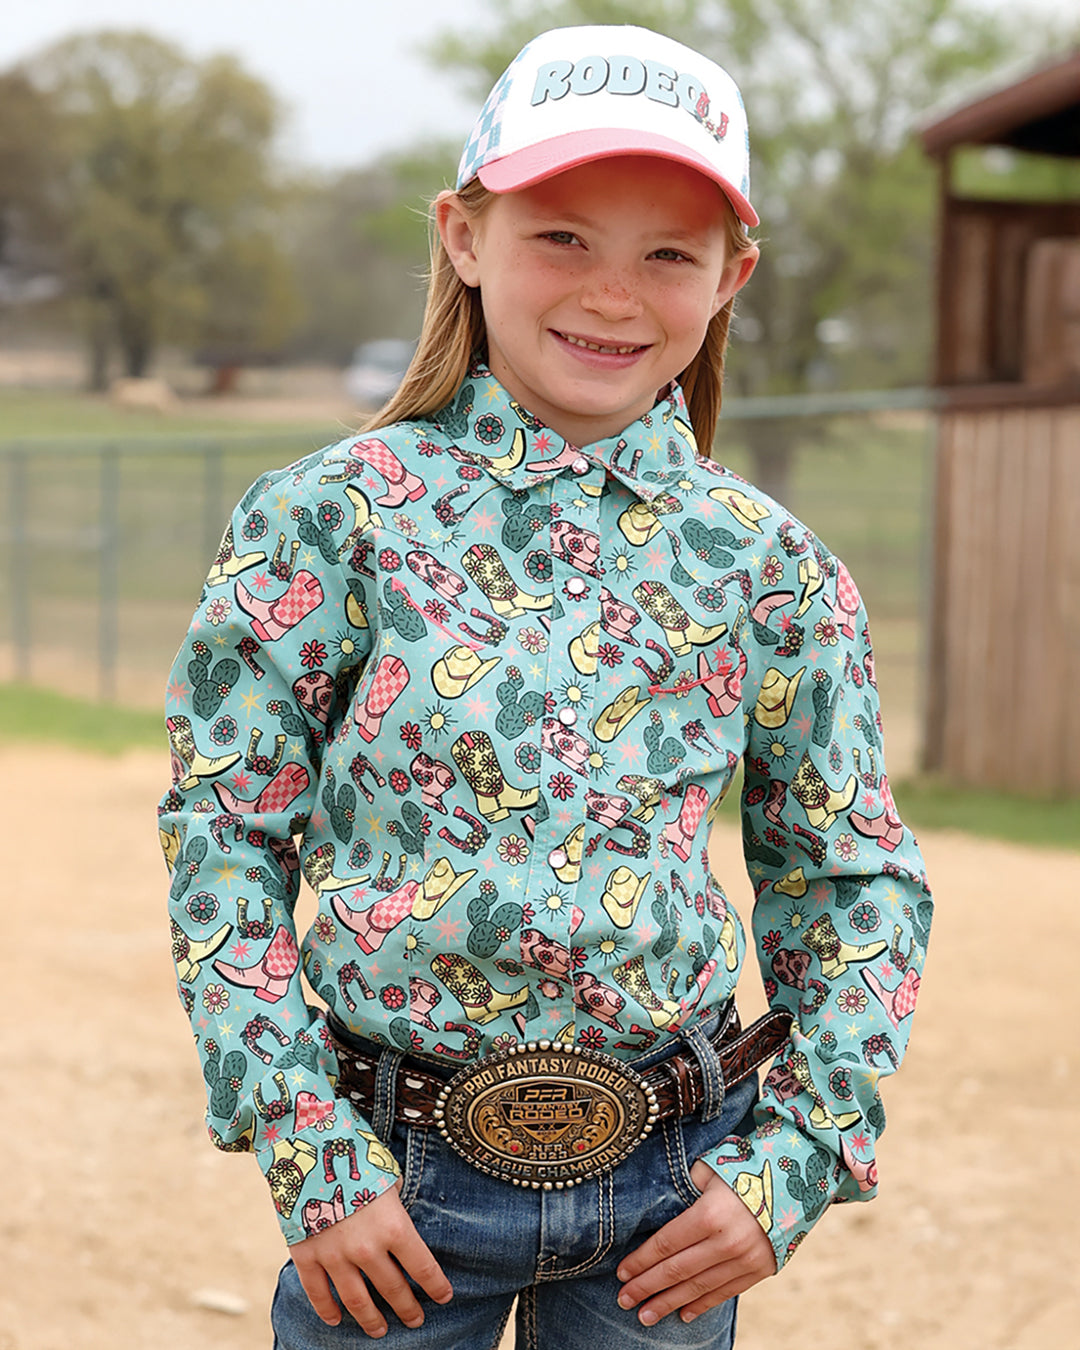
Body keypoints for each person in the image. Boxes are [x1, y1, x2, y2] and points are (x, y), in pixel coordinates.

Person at [159, 24, 932, 1349]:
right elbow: (225, 839)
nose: (613, 293)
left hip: (671, 1195)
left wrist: (796, 1160)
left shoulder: (773, 570)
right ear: (464, 236)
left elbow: (850, 875)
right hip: (391, 1192)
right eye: (563, 237)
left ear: (732, 276)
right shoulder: (330, 522)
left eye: (668, 254)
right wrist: (311, 1153)